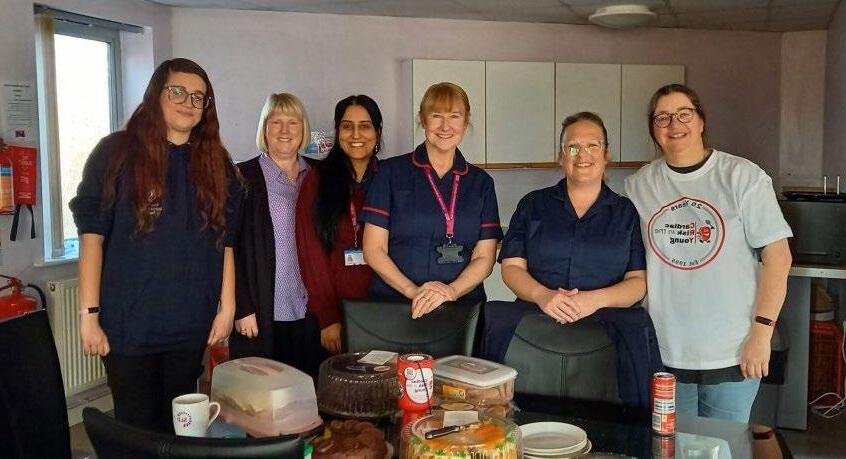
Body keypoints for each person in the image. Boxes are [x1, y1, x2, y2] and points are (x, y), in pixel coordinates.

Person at [71, 58, 242, 432]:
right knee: (136, 427)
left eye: (198, 97)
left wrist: (227, 308)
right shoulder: (116, 153)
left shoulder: (217, 163)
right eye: (177, 91)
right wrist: (89, 314)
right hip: (129, 324)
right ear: (155, 95)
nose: (188, 102)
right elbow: (92, 236)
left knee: (181, 427)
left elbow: (226, 241)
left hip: (190, 324)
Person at [625, 84, 793, 422]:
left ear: (701, 121)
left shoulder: (742, 176)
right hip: (665, 351)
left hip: (733, 350)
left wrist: (761, 334)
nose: (674, 124)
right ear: (654, 129)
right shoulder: (638, 185)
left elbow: (778, 257)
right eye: (662, 117)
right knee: (671, 444)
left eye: (684, 114)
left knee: (724, 445)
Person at [484, 112, 658, 407]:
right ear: (561, 156)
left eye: (592, 145)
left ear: (606, 154)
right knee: (526, 418)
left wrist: (594, 300)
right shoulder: (532, 205)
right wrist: (543, 295)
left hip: (607, 342)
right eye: (573, 147)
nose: (583, 155)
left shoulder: (626, 212)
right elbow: (512, 267)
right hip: (534, 334)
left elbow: (637, 282)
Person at [361, 82, 502, 318]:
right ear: (423, 119)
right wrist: (413, 292)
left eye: (454, 116)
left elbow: (484, 257)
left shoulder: (481, 183)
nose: (445, 126)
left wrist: (450, 291)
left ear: (466, 121)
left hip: (461, 308)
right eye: (436, 115)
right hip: (396, 306)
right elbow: (374, 249)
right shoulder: (390, 173)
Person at [230, 93, 324, 377]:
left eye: (293, 122)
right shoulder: (241, 176)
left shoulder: (320, 175)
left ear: (303, 129)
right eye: (276, 122)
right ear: (264, 128)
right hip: (261, 313)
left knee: (311, 393)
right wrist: (241, 308)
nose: (285, 130)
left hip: (311, 312)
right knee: (263, 396)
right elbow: (228, 247)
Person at [295, 95, 382, 355]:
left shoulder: (390, 178)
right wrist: (327, 315)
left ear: (377, 131)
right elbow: (310, 252)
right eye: (347, 126)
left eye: (365, 126)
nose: (356, 135)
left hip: (384, 310)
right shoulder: (317, 180)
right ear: (337, 131)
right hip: (335, 314)